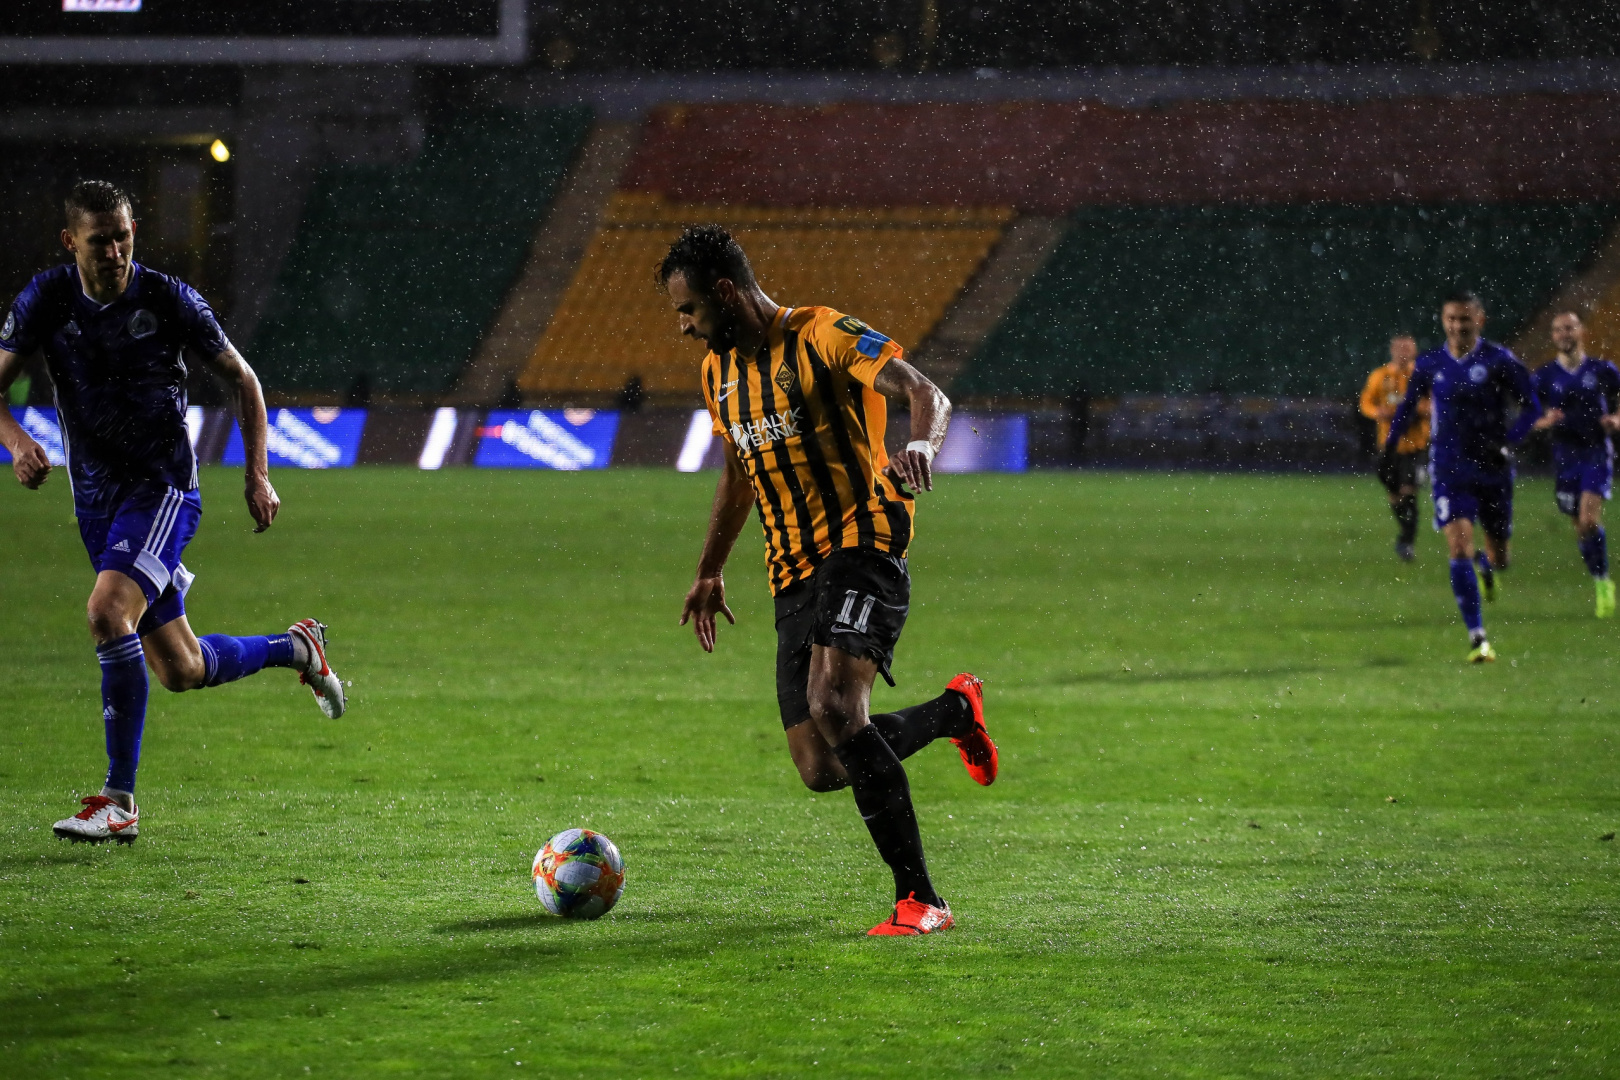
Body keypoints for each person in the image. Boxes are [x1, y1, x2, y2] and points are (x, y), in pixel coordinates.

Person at [663, 225, 996, 936]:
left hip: (863, 537)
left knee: (835, 704)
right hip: (791, 568)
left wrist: (919, 442)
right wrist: (710, 568)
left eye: (689, 310)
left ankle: (922, 901)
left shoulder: (822, 335)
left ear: (725, 291)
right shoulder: (718, 374)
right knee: (822, 764)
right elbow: (739, 473)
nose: (684, 327)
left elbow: (924, 391)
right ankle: (952, 713)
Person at [0, 180, 346, 844]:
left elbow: (243, 379)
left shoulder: (168, 298)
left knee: (107, 613)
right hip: (95, 502)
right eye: (99, 241)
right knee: (181, 669)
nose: (115, 252)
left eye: (123, 237)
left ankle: (118, 801)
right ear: (71, 242)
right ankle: (296, 647)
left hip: (160, 490)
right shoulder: (46, 298)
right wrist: (17, 443)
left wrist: (257, 475)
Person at [1385, 289, 1539, 662]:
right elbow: (1407, 407)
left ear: (1479, 320)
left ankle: (1486, 564)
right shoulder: (1430, 363)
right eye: (1451, 319)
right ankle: (1478, 638)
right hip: (1449, 467)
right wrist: (1388, 449)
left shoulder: (1499, 360)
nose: (1457, 326)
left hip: (1492, 469)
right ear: (1443, 321)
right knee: (1457, 547)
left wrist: (1508, 442)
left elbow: (1532, 407)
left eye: (1465, 319)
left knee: (1500, 556)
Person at [1530, 311, 1620, 617]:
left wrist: (1616, 419)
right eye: (1558, 330)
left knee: (1589, 520)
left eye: (1569, 328)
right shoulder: (1544, 376)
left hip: (1596, 452)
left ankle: (1603, 583)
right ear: (1553, 336)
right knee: (1581, 528)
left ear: (1581, 331)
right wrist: (1545, 421)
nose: (1564, 334)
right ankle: (1599, 577)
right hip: (1565, 458)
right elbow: (1528, 417)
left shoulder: (1603, 370)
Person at [1360, 334, 1429, 561]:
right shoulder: (1380, 376)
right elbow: (1366, 403)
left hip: (1416, 445)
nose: (1403, 353)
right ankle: (1405, 534)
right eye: (1400, 348)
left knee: (1409, 491)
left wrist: (1419, 410)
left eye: (1408, 349)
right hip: (1389, 446)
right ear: (1392, 351)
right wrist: (1378, 412)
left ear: (1414, 351)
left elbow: (1434, 402)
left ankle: (1407, 541)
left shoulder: (1421, 375)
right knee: (1394, 494)